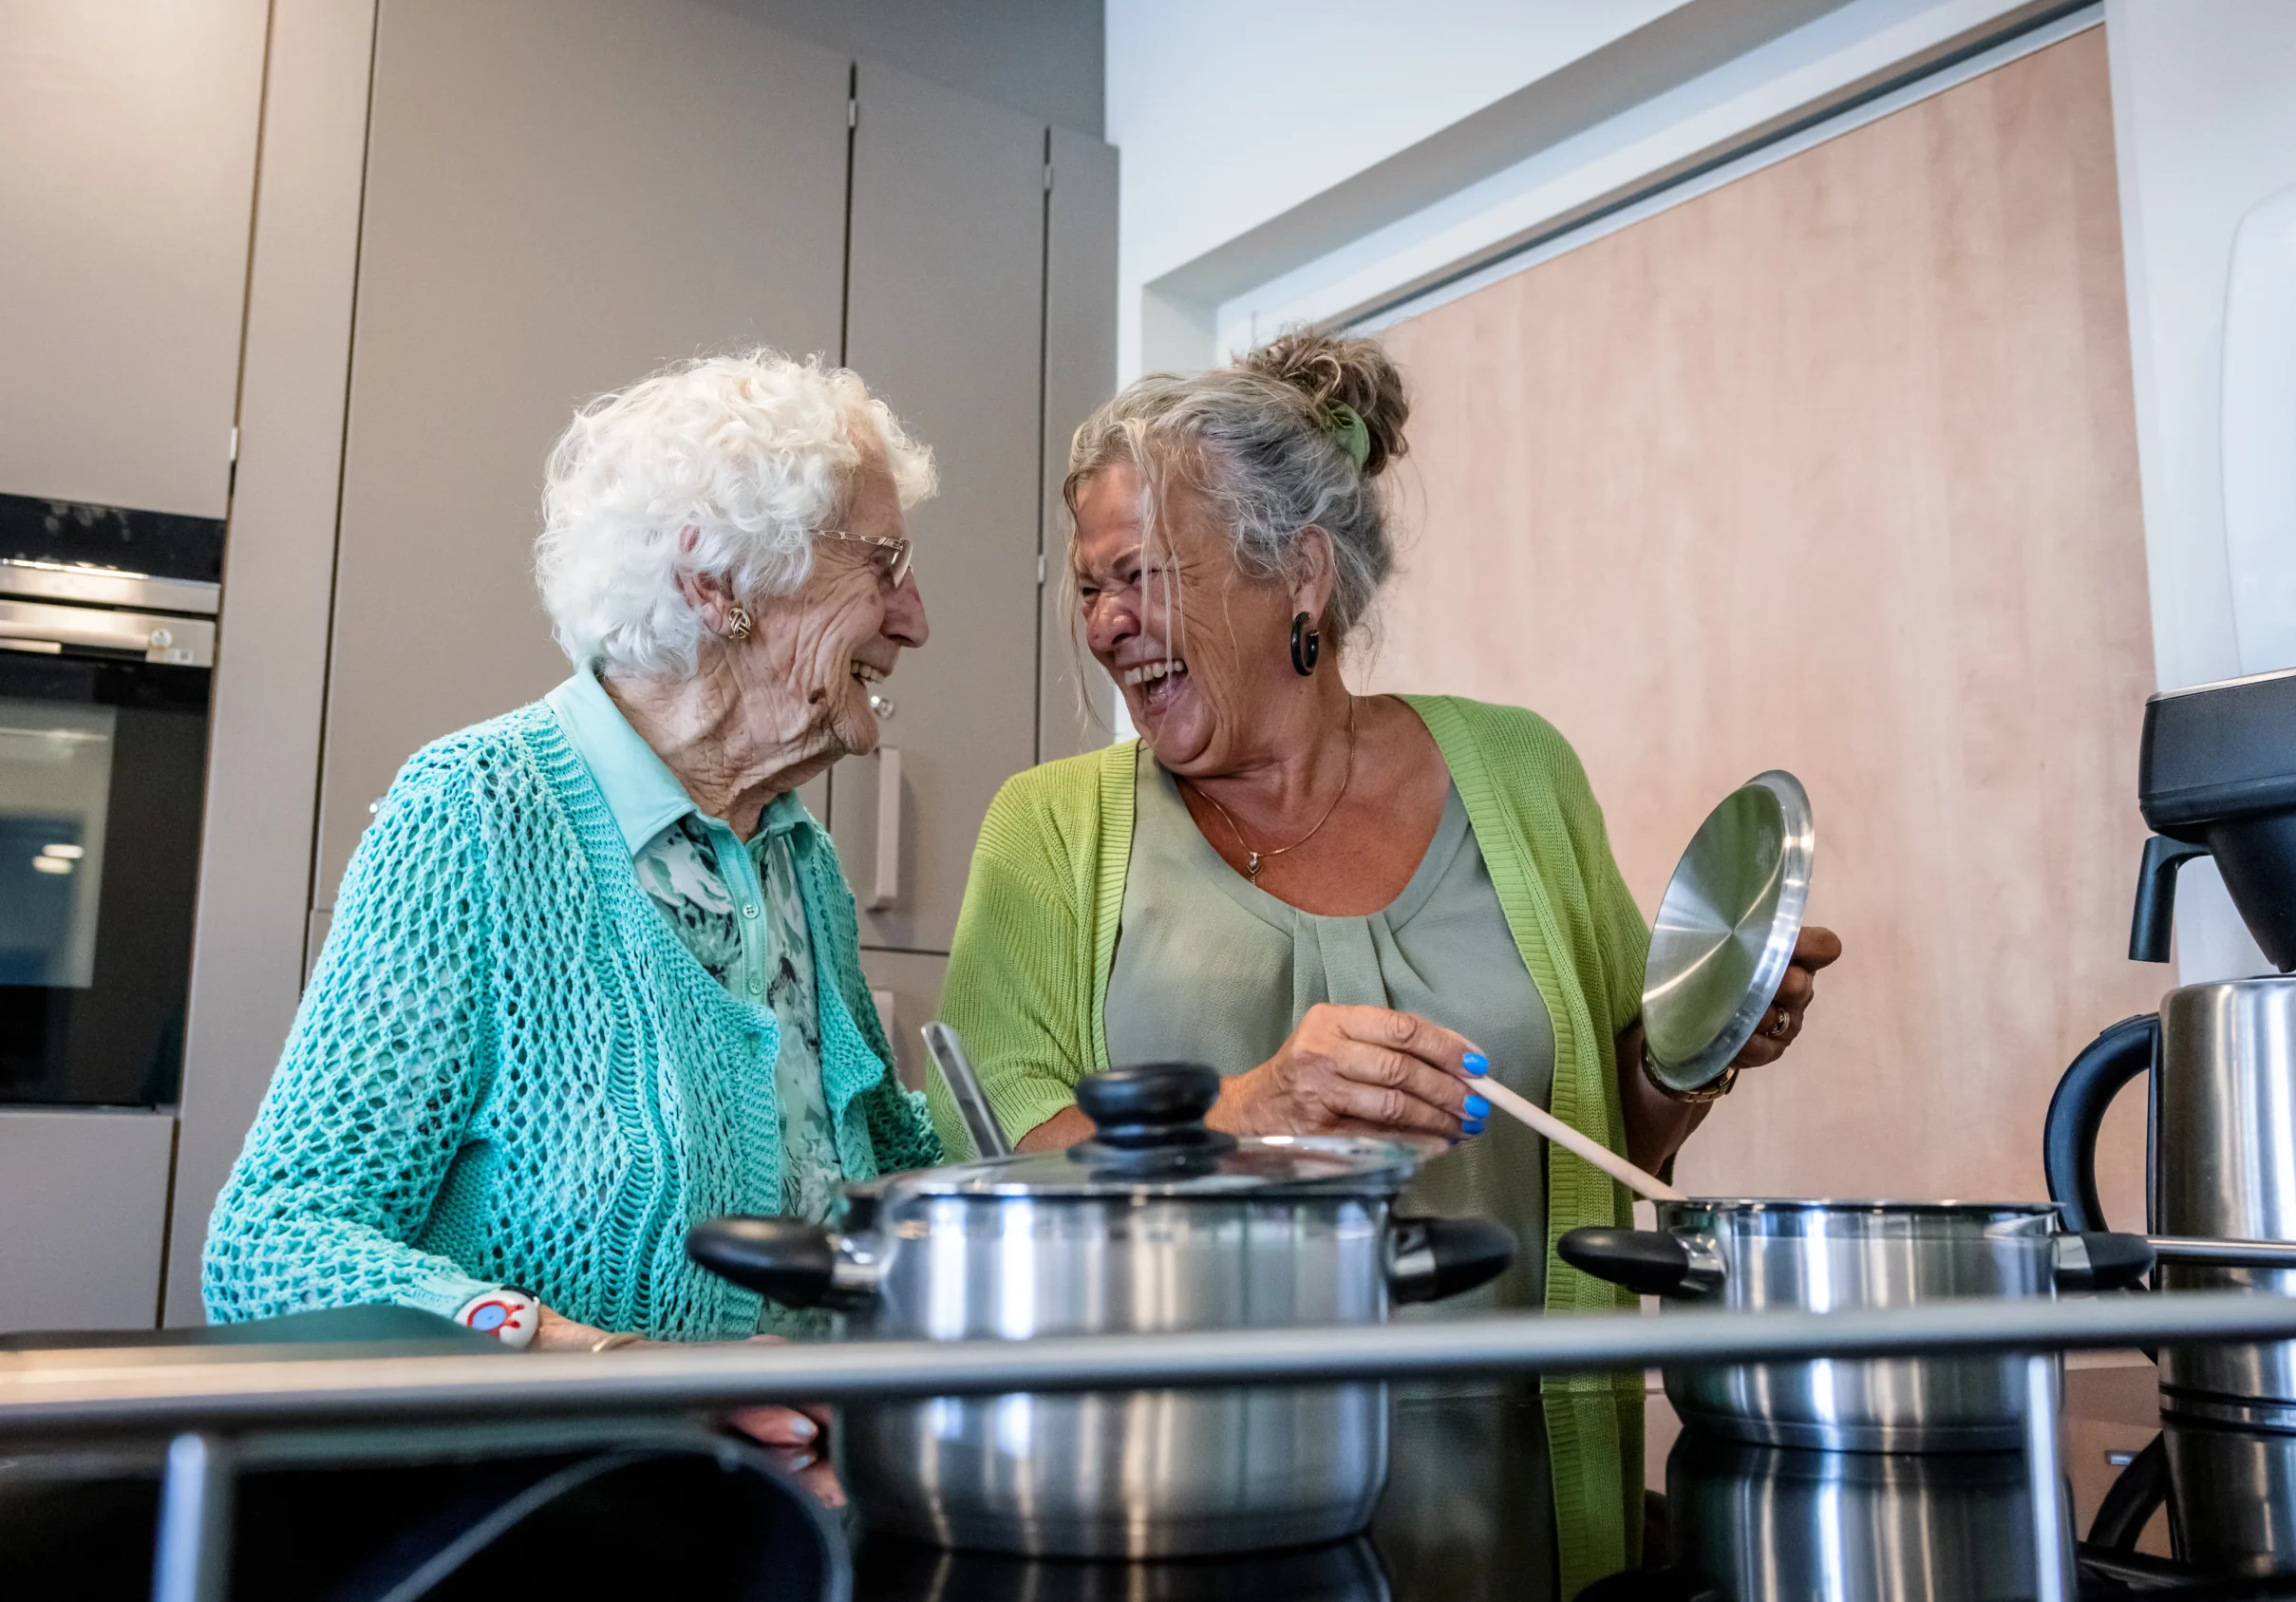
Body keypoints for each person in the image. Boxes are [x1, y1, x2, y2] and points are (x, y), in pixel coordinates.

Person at [933, 330, 1840, 1574]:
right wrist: (1244, 1118)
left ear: (1299, 576)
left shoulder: (1520, 774)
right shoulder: (1048, 834)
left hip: (1520, 1513)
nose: (1107, 625)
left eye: (1141, 575)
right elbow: (983, 1184)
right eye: (1090, 588)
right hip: (1180, 1522)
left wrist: (1709, 1035)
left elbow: (1595, 1143)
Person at [203, 352, 940, 1504]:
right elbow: (275, 1245)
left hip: (791, 1525)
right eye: (882, 563)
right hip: (540, 1522)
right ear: (716, 583)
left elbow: (896, 1190)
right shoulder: (477, 813)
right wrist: (611, 1372)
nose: (916, 618)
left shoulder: (802, 862)